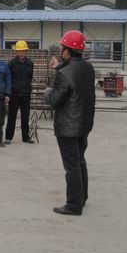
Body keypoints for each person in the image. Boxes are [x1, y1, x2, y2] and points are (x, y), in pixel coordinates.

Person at [44, 30, 95, 216]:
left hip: (68, 127)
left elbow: (54, 100)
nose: (60, 50)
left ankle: (73, 205)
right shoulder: (88, 68)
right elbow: (72, 75)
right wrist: (58, 67)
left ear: (68, 50)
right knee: (80, 161)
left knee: (71, 166)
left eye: (62, 47)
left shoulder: (64, 73)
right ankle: (82, 197)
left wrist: (47, 92)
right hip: (83, 125)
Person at [6, 40, 35, 144]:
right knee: (12, 116)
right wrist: (8, 93)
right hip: (14, 94)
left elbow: (30, 77)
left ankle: (26, 137)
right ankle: (8, 137)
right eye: (20, 51)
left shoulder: (30, 63)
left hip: (26, 94)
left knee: (25, 117)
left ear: (26, 51)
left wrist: (27, 88)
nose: (22, 53)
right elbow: (8, 79)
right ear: (16, 52)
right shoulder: (11, 64)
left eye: (23, 51)